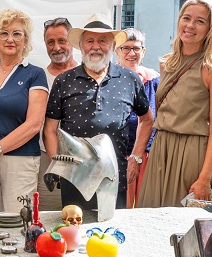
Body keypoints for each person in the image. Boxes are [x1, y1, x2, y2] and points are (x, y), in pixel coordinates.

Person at [44, 14, 152, 211]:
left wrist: (135, 158)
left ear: (112, 45)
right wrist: (57, 164)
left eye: (102, 40)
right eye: (90, 41)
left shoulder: (129, 78)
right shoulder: (64, 81)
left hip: (114, 175)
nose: (96, 46)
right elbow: (50, 129)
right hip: (73, 176)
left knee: (111, 233)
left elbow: (147, 119)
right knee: (73, 231)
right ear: (81, 46)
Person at [137, 0, 212, 208]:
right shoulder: (166, 62)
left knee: (182, 223)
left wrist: (205, 177)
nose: (190, 25)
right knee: (151, 215)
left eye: (200, 21)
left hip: (192, 153)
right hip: (161, 149)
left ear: (211, 28)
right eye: (186, 18)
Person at [0, 9, 48, 213]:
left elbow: (33, 125)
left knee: (17, 223)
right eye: (4, 33)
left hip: (21, 161)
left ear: (25, 40)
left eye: (17, 33)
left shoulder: (35, 74)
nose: (10, 39)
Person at [114, 28, 159, 208]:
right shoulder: (110, 79)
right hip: (119, 154)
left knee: (144, 205)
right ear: (116, 51)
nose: (131, 53)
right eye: (125, 48)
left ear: (143, 51)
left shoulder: (155, 80)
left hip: (146, 154)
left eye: (136, 48)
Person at [36, 17, 78, 210]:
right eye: (50, 42)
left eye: (62, 40)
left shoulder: (84, 74)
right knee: (50, 214)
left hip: (80, 159)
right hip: (47, 158)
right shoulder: (39, 78)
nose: (56, 47)